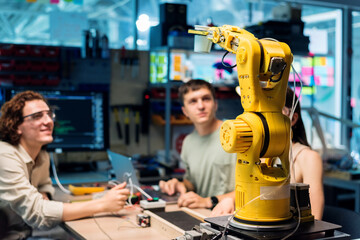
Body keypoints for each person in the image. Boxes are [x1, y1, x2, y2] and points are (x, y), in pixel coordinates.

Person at [0, 91, 130, 238]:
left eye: (49, 114)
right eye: (37, 116)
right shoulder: (4, 156)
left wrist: (44, 194)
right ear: (16, 126)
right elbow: (38, 215)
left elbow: (44, 184)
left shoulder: (41, 155)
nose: (48, 121)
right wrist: (102, 204)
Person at [213, 87, 324, 220]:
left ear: (292, 119)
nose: (263, 121)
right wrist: (230, 200)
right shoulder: (258, 154)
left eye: (274, 113)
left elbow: (315, 221)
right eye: (259, 115)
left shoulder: (308, 158)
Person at [159, 79, 236, 210]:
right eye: (193, 101)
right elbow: (193, 183)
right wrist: (181, 185)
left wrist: (208, 201)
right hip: (202, 216)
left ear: (215, 104)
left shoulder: (236, 135)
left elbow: (255, 190)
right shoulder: (188, 142)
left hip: (232, 218)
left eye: (206, 99)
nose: (200, 106)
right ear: (185, 111)